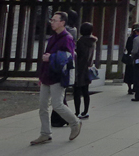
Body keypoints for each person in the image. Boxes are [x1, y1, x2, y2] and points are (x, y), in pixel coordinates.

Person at [30, 11, 82, 145]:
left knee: (57, 104)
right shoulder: (53, 37)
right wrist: (41, 76)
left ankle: (75, 122)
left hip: (58, 76)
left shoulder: (67, 38)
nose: (51, 22)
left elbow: (68, 58)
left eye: (54, 20)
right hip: (47, 75)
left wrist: (51, 58)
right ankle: (45, 133)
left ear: (62, 23)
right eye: (51, 20)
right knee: (42, 106)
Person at [73, 22, 97, 119]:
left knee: (77, 92)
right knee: (85, 91)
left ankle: (77, 111)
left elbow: (77, 55)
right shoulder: (93, 41)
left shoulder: (80, 42)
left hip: (79, 68)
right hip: (88, 68)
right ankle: (86, 111)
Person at [123, 25, 139, 94]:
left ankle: (130, 88)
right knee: (135, 73)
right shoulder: (138, 38)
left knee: (129, 74)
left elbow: (127, 47)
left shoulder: (130, 38)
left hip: (130, 57)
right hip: (135, 57)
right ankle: (134, 87)